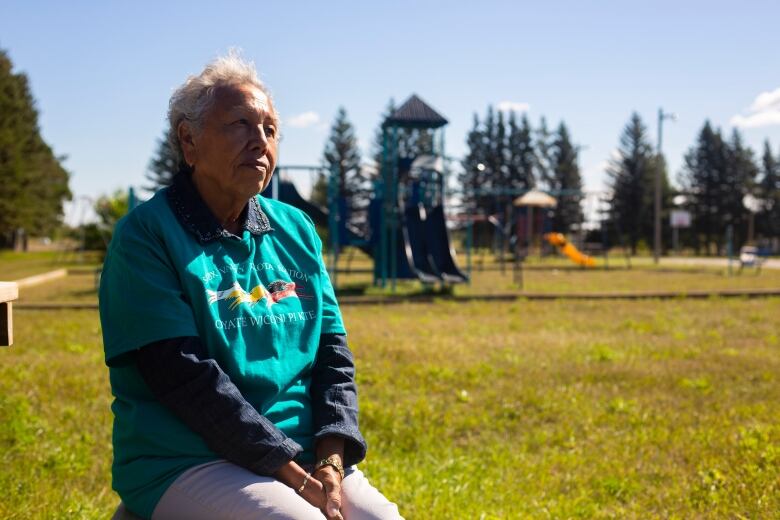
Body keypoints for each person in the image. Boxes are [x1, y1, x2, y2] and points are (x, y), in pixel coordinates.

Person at [100, 52, 402, 520]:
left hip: (302, 456)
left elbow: (333, 358)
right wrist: (291, 474)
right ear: (189, 141)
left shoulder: (297, 229)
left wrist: (330, 462)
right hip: (187, 458)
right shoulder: (147, 234)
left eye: (270, 129)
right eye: (241, 124)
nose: (260, 141)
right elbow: (182, 376)